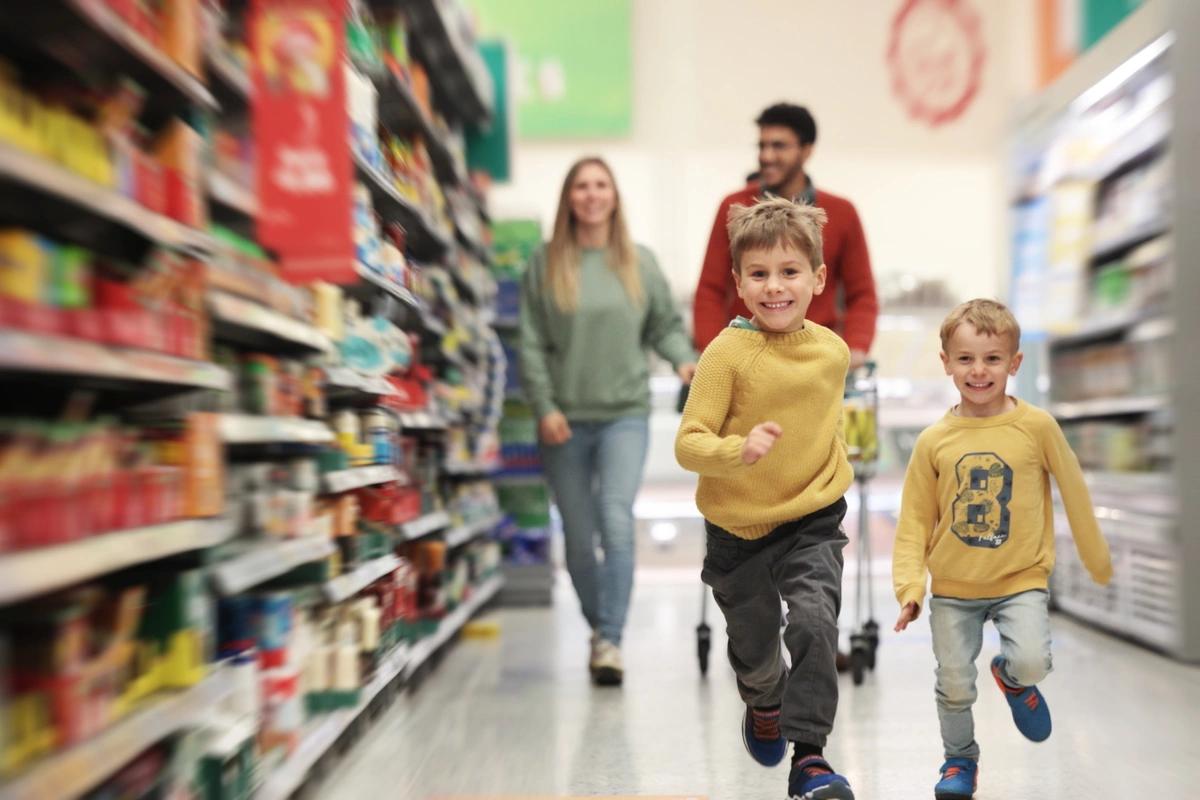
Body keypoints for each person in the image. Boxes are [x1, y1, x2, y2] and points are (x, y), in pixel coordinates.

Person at [891, 299, 1113, 800]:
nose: (978, 370)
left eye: (992, 358)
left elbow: (1074, 491)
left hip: (1021, 579)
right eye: (965, 358)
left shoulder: (1037, 428)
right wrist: (911, 587)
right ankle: (959, 761)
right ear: (945, 361)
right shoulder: (933, 441)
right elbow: (914, 523)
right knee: (952, 682)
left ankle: (1013, 680)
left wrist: (1096, 558)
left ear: (1014, 363)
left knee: (1033, 660)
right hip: (953, 586)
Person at [676, 197, 856, 800]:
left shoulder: (833, 352)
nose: (775, 287)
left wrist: (831, 473)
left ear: (817, 279)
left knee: (815, 621)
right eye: (759, 274)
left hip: (813, 516)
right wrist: (738, 450)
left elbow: (821, 425)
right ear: (738, 283)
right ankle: (763, 702)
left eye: (789, 272)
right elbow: (688, 441)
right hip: (738, 527)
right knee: (755, 652)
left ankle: (810, 760)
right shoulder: (726, 354)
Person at [519, 157, 697, 687]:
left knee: (615, 519)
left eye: (601, 185)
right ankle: (601, 629)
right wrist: (545, 405)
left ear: (614, 196)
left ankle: (611, 639)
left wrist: (683, 358)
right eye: (581, 186)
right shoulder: (546, 262)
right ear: (568, 197)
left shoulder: (638, 263)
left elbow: (663, 325)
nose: (591, 195)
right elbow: (530, 342)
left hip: (625, 414)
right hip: (565, 420)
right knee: (577, 535)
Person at [693, 103, 878, 368]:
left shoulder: (841, 212)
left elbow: (861, 294)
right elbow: (710, 290)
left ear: (806, 151)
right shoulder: (734, 208)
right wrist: (712, 353)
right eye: (762, 146)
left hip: (814, 358)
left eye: (779, 146)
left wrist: (855, 347)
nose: (767, 155)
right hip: (746, 357)